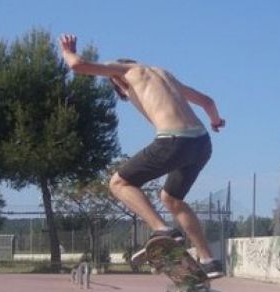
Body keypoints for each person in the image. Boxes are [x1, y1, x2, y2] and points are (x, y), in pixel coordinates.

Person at [59, 34, 226, 278]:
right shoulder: (165, 75)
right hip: (201, 143)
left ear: (117, 81)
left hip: (174, 141)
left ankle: (162, 230)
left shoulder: (126, 72)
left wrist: (68, 52)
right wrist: (216, 121)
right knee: (172, 199)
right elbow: (207, 102)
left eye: (122, 95)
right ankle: (209, 260)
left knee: (118, 182)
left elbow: (78, 66)